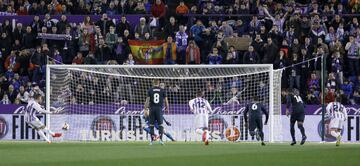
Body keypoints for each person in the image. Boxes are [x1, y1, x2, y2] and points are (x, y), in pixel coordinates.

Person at [144, 79, 169, 145]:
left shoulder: (150, 90)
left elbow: (147, 100)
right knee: (160, 125)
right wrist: (167, 108)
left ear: (153, 83)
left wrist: (145, 109)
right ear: (159, 83)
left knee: (151, 125)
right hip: (159, 109)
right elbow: (166, 100)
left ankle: (151, 141)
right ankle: (161, 140)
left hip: (152, 109)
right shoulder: (162, 90)